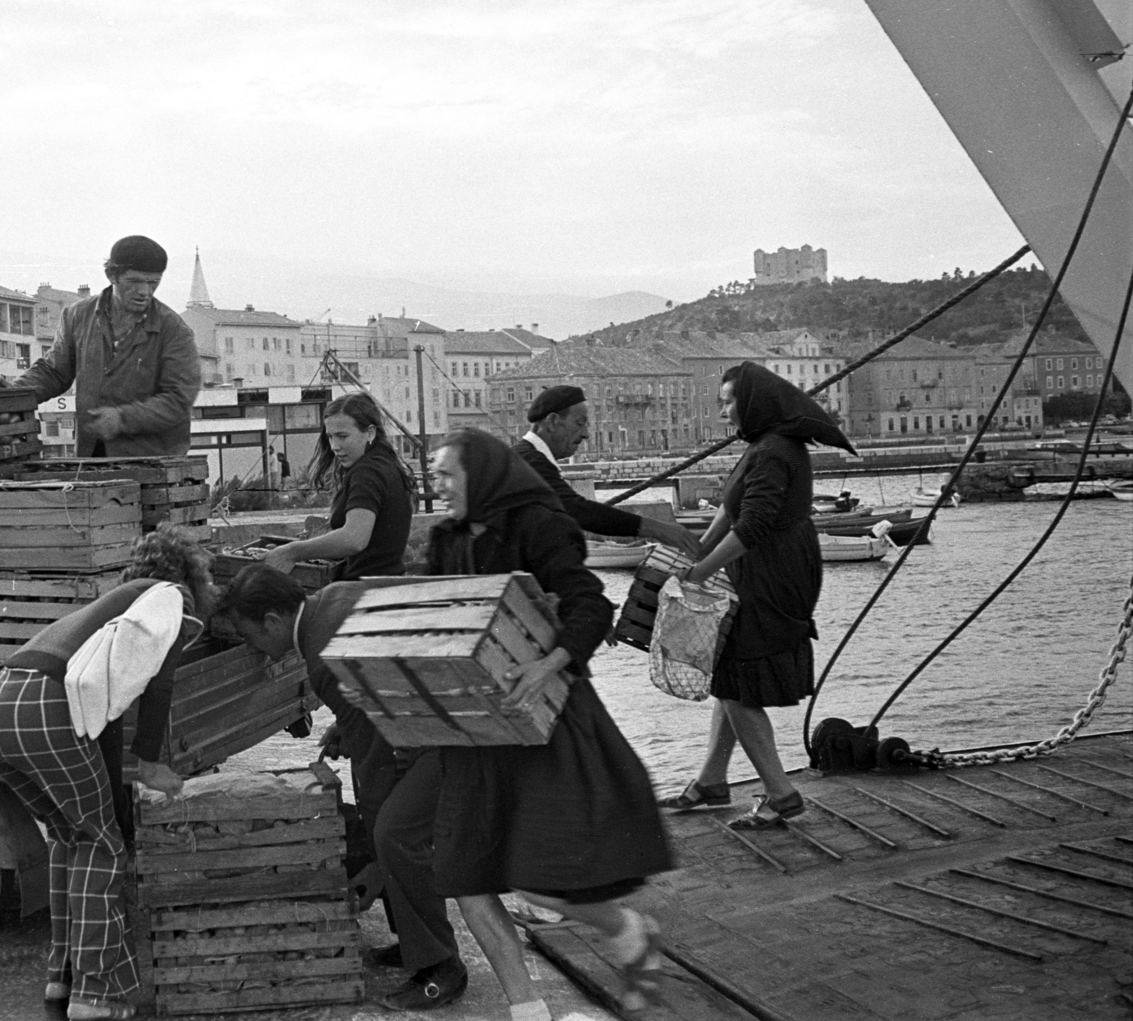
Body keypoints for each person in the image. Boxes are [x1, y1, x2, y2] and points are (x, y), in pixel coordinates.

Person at [428, 428, 674, 1019]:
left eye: (444, 475)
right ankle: (529, 1012)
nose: (435, 486)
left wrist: (548, 664)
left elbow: (591, 603)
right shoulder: (446, 538)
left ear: (480, 476)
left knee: (539, 879)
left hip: (547, 721)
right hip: (478, 725)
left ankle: (630, 935)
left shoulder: (540, 525)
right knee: (465, 874)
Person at [0, 527, 208, 1019]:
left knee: (68, 835)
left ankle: (63, 978)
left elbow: (103, 726)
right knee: (101, 845)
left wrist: (119, 798)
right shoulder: (169, 599)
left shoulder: (114, 612)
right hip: (41, 708)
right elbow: (160, 685)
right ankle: (96, 995)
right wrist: (152, 766)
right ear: (188, 575)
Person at [216, 565, 466, 1010]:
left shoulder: (321, 655)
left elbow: (373, 761)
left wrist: (372, 830)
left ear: (272, 621)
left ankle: (441, 968)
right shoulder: (332, 598)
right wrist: (345, 727)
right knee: (388, 827)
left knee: (393, 832)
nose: (260, 652)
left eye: (250, 636)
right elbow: (368, 698)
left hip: (458, 728)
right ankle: (416, 946)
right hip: (438, 709)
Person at [662, 362, 855, 828]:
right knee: (731, 677)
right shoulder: (764, 447)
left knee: (734, 679)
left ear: (752, 403)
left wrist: (699, 572)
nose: (726, 412)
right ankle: (712, 781)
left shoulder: (771, 452)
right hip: (767, 567)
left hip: (773, 573)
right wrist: (697, 554)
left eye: (729, 401)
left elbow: (754, 524)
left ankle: (781, 794)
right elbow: (731, 512)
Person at [13, 235, 201, 456]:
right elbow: (54, 372)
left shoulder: (174, 330)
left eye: (153, 282)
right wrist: (12, 393)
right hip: (91, 455)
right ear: (112, 275)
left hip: (154, 462)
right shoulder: (77, 316)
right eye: (135, 282)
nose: (145, 292)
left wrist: (123, 419)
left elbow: (179, 399)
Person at [514, 385, 699, 554]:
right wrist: (659, 529)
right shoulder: (531, 462)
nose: (586, 433)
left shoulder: (526, 456)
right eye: (580, 423)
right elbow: (577, 509)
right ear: (553, 421)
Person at [262, 392, 413, 581]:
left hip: (363, 588)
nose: (334, 446)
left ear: (370, 433)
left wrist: (291, 552)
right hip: (387, 584)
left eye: (342, 436)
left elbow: (354, 539)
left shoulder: (367, 472)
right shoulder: (385, 466)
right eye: (330, 437)